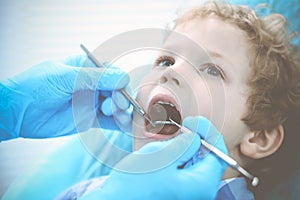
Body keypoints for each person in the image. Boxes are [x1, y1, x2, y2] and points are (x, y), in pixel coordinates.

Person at [1, 1, 300, 200]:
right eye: (166, 60)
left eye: (211, 69)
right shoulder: (89, 193)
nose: (173, 73)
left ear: (259, 137)